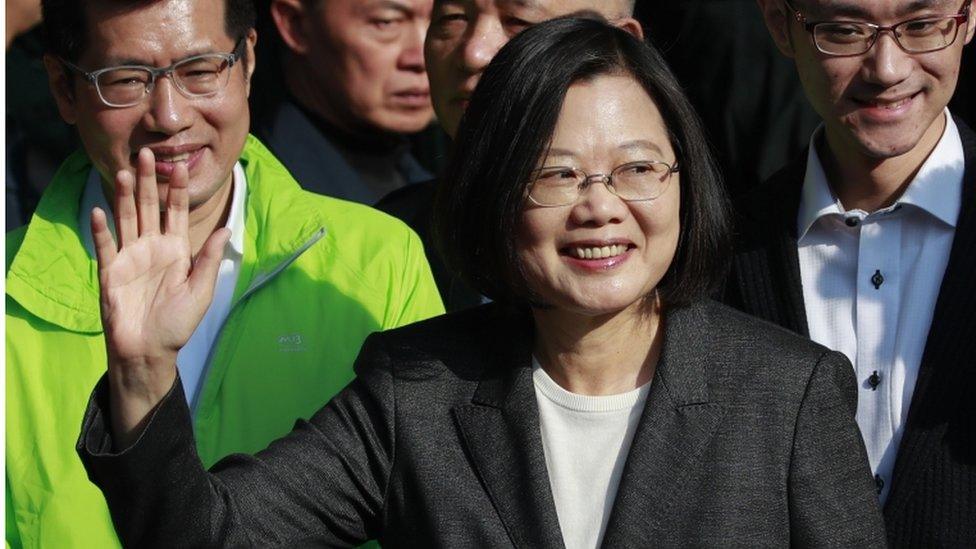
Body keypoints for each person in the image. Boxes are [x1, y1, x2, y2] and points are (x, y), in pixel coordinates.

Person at [78, 17, 886, 547]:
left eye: (638, 168)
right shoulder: (415, 391)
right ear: (497, 196)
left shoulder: (788, 393)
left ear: (684, 182)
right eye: (556, 174)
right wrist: (145, 376)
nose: (601, 208)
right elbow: (204, 537)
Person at [5, 0, 444, 546]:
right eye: (126, 80)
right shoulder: (9, 294)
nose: (169, 115)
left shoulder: (382, 262)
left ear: (249, 62)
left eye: (200, 71)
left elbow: (429, 515)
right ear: (63, 89)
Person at [725, 0, 976, 545]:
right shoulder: (719, 255)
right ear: (780, 26)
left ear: (968, 17)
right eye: (843, 31)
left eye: (922, 26)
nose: (887, 68)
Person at [376, 0, 643, 311]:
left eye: (519, 22)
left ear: (620, 45)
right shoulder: (381, 244)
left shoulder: (680, 254)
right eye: (452, 19)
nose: (473, 53)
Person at [250, 0, 435, 204]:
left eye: (442, 20)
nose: (423, 57)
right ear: (296, 25)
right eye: (386, 22)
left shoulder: (428, 181)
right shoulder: (256, 196)